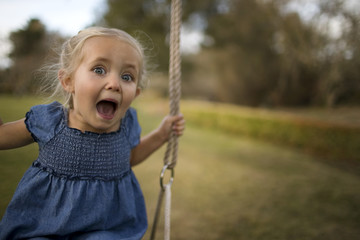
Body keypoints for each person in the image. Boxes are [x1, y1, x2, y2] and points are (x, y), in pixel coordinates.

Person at [0, 27, 185, 239]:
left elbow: (128, 158)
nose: (114, 84)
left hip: (106, 228)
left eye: (127, 76)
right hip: (42, 226)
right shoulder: (50, 121)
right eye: (99, 70)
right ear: (68, 81)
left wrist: (161, 135)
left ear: (135, 93)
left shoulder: (127, 124)